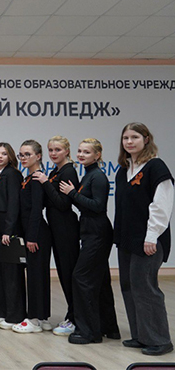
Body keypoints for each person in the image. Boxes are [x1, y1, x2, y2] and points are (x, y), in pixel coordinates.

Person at [114, 123, 173, 355]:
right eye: (126, 138)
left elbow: (161, 205)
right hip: (127, 239)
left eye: (135, 137)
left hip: (149, 240)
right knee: (129, 286)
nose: (129, 142)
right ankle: (141, 335)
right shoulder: (123, 170)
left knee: (145, 287)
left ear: (146, 139)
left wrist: (152, 236)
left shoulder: (156, 167)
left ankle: (160, 340)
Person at [59, 138, 120, 344]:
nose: (81, 155)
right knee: (100, 280)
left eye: (86, 152)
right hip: (89, 231)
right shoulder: (88, 176)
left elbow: (98, 206)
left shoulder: (98, 177)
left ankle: (89, 332)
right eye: (79, 151)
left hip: (97, 232)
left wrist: (72, 194)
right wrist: (74, 195)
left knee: (81, 277)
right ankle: (108, 327)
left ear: (97, 155)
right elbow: (85, 205)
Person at [32, 136, 80, 336]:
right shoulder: (54, 172)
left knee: (69, 275)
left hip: (66, 229)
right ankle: (72, 315)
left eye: (57, 150)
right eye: (51, 150)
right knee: (63, 274)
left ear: (67, 151)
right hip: (56, 229)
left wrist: (45, 183)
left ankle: (75, 318)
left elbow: (63, 204)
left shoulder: (68, 171)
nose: (53, 153)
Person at [13, 140, 52, 334]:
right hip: (31, 233)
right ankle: (43, 318)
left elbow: (36, 210)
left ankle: (35, 319)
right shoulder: (27, 178)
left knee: (37, 277)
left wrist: (32, 237)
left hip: (36, 234)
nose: (23, 158)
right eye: (21, 155)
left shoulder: (37, 178)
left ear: (38, 156)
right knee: (37, 275)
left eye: (27, 154)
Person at [0, 143, 26, 330]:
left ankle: (14, 315)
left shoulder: (13, 174)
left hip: (8, 228)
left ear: (10, 156)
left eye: (4, 153)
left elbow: (13, 203)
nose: (0, 156)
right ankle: (4, 312)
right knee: (0, 272)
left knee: (11, 274)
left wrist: (8, 231)